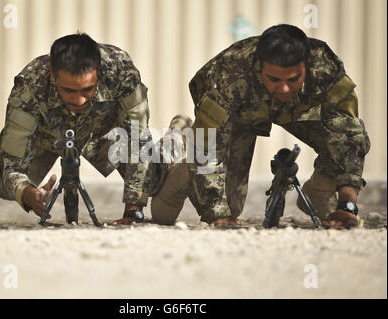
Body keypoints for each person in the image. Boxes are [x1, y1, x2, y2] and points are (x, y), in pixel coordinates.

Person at [150, 24, 370, 230]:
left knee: (350, 136)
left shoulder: (324, 67)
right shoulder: (229, 74)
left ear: (307, 65)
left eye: (293, 79)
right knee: (191, 213)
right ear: (259, 66)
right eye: (274, 78)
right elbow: (206, 144)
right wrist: (215, 212)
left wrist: (347, 205)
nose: (284, 88)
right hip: (240, 114)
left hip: (295, 110)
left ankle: (321, 189)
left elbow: (349, 137)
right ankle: (182, 167)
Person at [0, 32, 152, 226]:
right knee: (8, 181)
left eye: (87, 89)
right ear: (52, 73)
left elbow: (138, 137)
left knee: (152, 176)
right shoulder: (30, 86)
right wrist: (26, 192)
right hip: (46, 139)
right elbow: (13, 165)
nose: (79, 100)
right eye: (69, 90)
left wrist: (134, 207)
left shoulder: (121, 72)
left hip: (99, 135)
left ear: (99, 72)